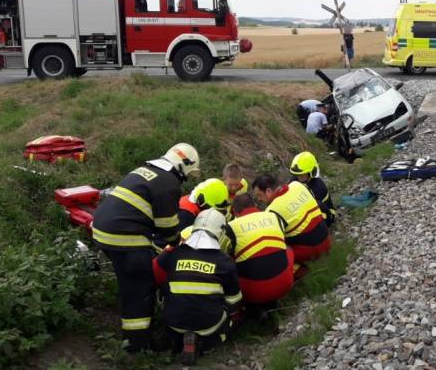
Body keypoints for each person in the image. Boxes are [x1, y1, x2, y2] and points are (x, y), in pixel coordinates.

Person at [92, 143, 199, 352]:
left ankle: (130, 331)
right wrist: (178, 243)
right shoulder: (169, 183)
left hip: (103, 230)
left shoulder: (145, 170)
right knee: (141, 287)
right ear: (183, 167)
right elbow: (166, 226)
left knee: (129, 280)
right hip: (124, 238)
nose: (184, 180)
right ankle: (138, 346)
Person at [153, 210, 241, 365]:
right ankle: (205, 343)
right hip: (209, 323)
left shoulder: (174, 253)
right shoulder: (225, 262)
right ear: (220, 233)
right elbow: (234, 300)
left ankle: (176, 340)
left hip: (173, 320)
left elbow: (156, 271)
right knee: (227, 323)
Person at [222, 206, 294, 306]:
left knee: (230, 262)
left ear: (235, 212)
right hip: (286, 285)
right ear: (254, 204)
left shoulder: (230, 226)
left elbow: (223, 257)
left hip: (253, 294)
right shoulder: (273, 216)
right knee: (286, 249)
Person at [251, 174, 331, 263]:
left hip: (311, 251)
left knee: (273, 249)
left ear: (269, 191)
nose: (259, 199)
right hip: (326, 239)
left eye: (259, 195)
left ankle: (299, 270)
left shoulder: (272, 211)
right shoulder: (297, 185)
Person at [290, 151, 336, 226]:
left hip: (326, 215)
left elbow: (317, 207)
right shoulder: (295, 180)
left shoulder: (318, 187)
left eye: (302, 174)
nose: (299, 176)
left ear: (311, 172)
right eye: (297, 174)